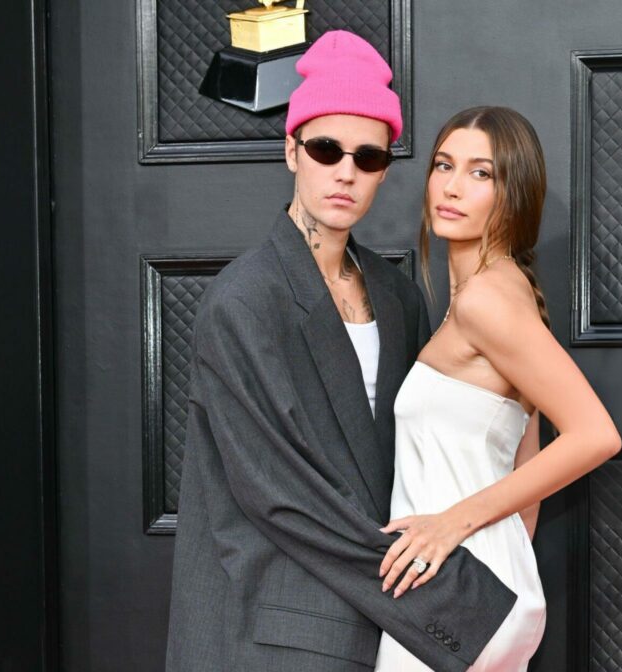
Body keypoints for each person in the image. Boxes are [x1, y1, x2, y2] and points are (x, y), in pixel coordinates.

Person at [165, 34, 515, 672]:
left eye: (369, 156)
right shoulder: (244, 301)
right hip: (286, 621)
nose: (346, 171)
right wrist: (453, 603)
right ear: (292, 151)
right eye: (327, 149)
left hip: (383, 617)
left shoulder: (397, 295)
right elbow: (280, 493)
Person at [373, 107, 622, 671]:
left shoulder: (487, 301)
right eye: (444, 165)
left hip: (453, 589)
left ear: (515, 192)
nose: (453, 187)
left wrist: (451, 524)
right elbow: (525, 472)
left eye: (481, 173)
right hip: (487, 585)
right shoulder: (509, 293)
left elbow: (595, 435)